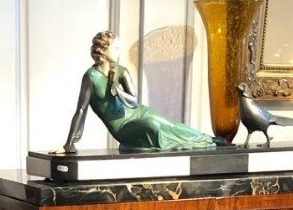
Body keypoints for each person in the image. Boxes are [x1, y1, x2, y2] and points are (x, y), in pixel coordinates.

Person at [63, 31, 219, 153]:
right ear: (103, 50)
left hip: (139, 113)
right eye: (115, 48)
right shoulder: (91, 77)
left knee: (172, 126)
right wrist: (70, 142)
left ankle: (208, 140)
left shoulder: (121, 71)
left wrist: (119, 92)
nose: (118, 51)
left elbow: (133, 101)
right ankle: (197, 142)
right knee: (153, 126)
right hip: (123, 127)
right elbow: (81, 110)